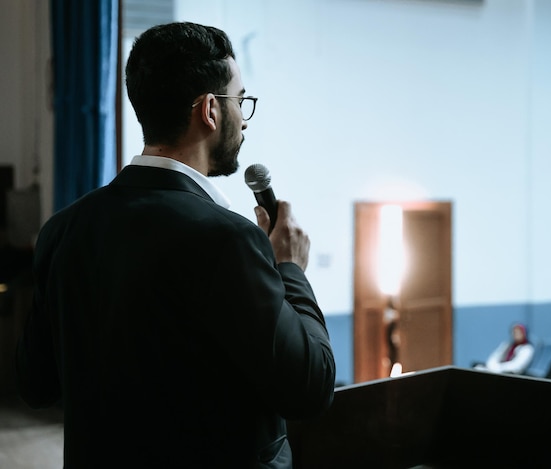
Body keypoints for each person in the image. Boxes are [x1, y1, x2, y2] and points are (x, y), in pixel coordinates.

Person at [15, 22, 335, 468]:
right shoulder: (227, 239)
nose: (243, 117)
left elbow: (35, 385)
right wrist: (291, 268)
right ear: (209, 111)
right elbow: (311, 387)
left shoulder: (64, 229)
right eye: (239, 101)